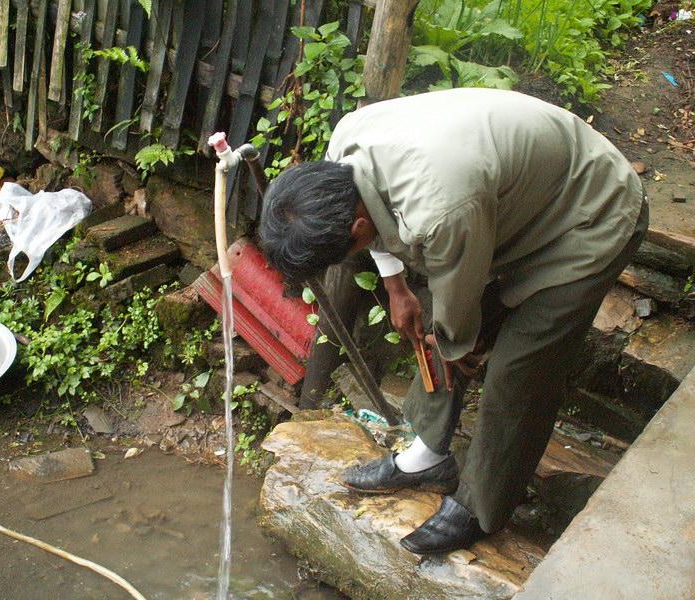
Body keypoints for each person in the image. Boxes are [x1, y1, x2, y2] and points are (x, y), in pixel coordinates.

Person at [258, 88, 647, 555]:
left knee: (519, 367)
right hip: (516, 203)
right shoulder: (344, 151)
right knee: (440, 339)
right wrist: (397, 289)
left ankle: (481, 509)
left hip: (592, 214)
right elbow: (370, 216)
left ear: (357, 232)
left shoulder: (440, 211)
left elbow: (460, 316)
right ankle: (426, 457)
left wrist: (458, 348)